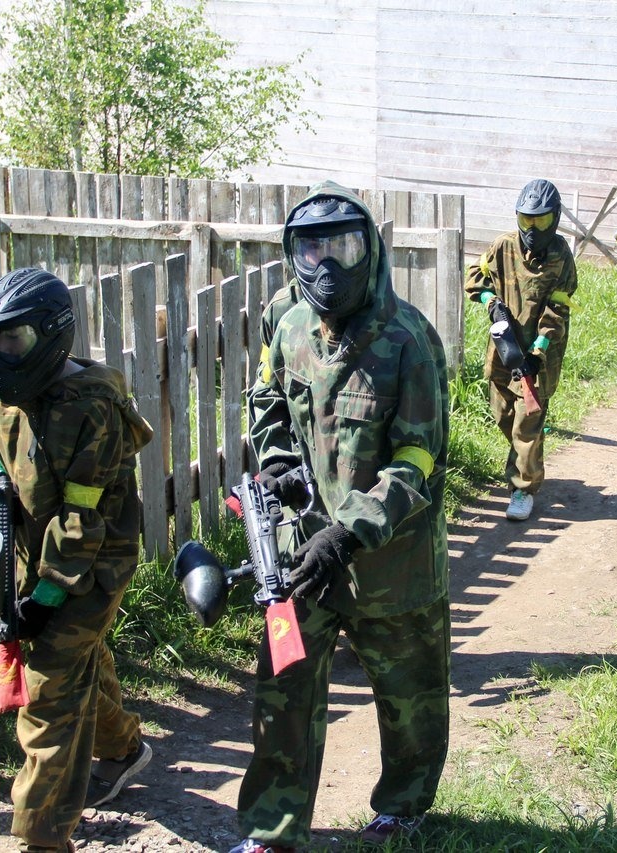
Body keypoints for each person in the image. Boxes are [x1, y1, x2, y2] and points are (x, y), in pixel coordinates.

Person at [232, 182, 451, 853]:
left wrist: (349, 529)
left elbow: (415, 462)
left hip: (392, 562)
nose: (327, 265)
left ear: (371, 250)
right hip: (301, 553)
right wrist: (274, 470)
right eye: (311, 249)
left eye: (344, 246)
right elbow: (267, 400)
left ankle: (404, 806)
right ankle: (273, 828)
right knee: (283, 688)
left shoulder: (409, 340)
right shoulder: (287, 320)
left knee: (408, 690)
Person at [0, 267, 155, 853]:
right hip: (35, 549)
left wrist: (44, 600)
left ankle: (41, 839)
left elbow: (80, 521)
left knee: (46, 692)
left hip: (95, 562)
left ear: (50, 334)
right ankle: (122, 750)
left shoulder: (92, 408)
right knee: (77, 657)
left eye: (11, 339)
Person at [464, 179, 577, 522]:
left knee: (527, 424)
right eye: (525, 219)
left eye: (539, 220)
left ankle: (522, 488)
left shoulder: (561, 256)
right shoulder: (503, 246)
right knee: (504, 416)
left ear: (554, 219)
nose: (531, 228)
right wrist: (490, 301)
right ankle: (523, 466)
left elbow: (558, 310)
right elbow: (475, 276)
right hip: (502, 350)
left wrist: (539, 349)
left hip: (540, 356)